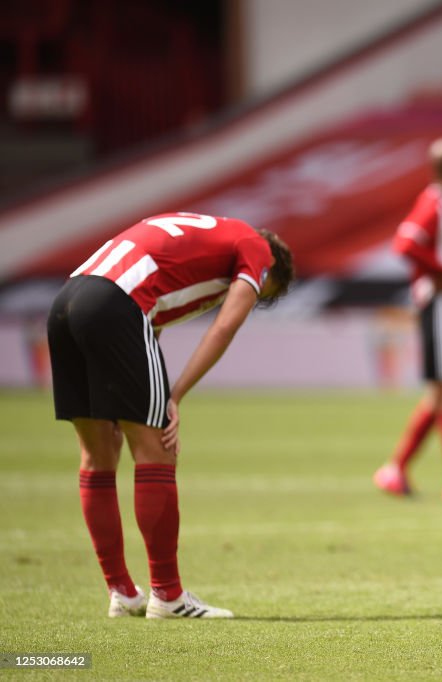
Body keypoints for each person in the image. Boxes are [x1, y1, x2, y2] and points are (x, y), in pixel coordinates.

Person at [47, 212, 293, 619]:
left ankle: (123, 592)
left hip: (67, 302)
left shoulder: (208, 232)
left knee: (98, 453)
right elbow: (224, 327)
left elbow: (154, 307)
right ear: (272, 273)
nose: (256, 300)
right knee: (157, 449)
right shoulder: (257, 248)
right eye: (265, 294)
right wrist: (174, 395)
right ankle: (168, 594)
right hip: (115, 305)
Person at [373, 137, 442, 504]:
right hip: (437, 304)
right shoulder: (434, 202)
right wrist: (441, 272)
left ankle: (396, 470)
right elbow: (405, 243)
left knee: (441, 394)